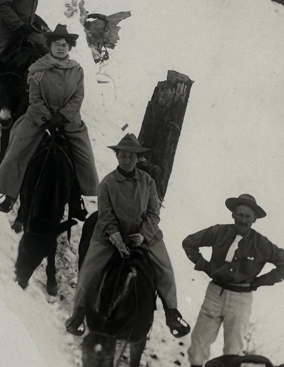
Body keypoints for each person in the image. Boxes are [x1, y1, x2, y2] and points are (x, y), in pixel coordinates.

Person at [65, 134, 190, 339]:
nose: (127, 160)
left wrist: (142, 235)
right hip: (110, 236)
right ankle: (78, 313)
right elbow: (105, 217)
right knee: (91, 269)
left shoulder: (148, 182)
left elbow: (153, 214)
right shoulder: (106, 184)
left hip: (144, 235)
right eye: (123, 155)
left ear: (137, 158)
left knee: (164, 268)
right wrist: (117, 240)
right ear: (117, 156)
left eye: (131, 156)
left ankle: (171, 313)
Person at [175, 193, 284, 367]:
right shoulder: (218, 232)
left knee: (232, 351)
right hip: (215, 293)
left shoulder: (262, 243)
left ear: (254, 219)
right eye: (240, 215)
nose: (243, 220)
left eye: (247, 216)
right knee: (198, 344)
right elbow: (189, 242)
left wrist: (259, 281)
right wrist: (204, 265)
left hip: (241, 298)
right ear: (233, 214)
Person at [0, 24, 99, 212]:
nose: (61, 48)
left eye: (64, 44)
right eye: (57, 44)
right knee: (18, 148)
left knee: (84, 152)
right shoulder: (38, 69)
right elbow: (35, 97)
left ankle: (77, 196)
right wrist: (46, 117)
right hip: (39, 117)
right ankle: (10, 194)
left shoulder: (77, 70)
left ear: (69, 47)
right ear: (50, 46)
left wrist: (63, 115)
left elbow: (77, 97)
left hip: (67, 119)